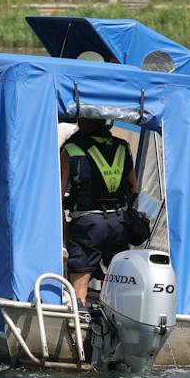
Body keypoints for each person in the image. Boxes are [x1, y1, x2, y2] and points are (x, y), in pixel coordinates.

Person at [59, 117, 148, 303]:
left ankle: (79, 328)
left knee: (78, 290)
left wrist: (65, 230)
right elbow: (134, 188)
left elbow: (56, 196)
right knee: (118, 285)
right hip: (118, 224)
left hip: (87, 225)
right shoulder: (122, 147)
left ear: (82, 122)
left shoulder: (71, 149)